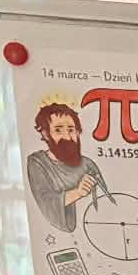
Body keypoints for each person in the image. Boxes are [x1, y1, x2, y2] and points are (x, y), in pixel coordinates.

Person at [25, 99, 106, 233]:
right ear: (45, 134)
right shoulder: (38, 163)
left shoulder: (88, 164)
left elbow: (106, 201)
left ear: (78, 132)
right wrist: (77, 193)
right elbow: (45, 203)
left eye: (71, 130)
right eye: (58, 130)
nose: (67, 136)